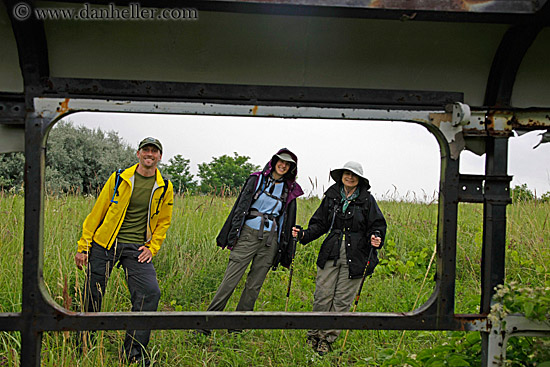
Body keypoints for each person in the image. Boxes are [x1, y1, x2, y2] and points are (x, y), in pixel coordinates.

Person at [75, 137, 174, 366]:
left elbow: (164, 222)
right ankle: (84, 345)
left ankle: (132, 354)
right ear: (138, 154)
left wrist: (152, 247)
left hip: (136, 248)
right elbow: (97, 211)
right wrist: (84, 246)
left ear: (160, 157)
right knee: (93, 293)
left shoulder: (165, 187)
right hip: (106, 243)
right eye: (145, 150)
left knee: (150, 293)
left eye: (154, 151)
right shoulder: (120, 177)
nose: (149, 154)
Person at [198, 148, 303, 335]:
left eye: (288, 164)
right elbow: (240, 206)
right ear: (274, 161)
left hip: (271, 241)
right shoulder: (256, 180)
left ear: (291, 168)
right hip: (248, 234)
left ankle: (237, 327)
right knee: (230, 280)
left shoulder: (290, 190)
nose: (283, 165)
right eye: (281, 161)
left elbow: (288, 219)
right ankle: (207, 324)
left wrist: (287, 246)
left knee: (254, 286)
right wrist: (230, 235)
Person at [292, 161, 386, 355]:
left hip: (357, 256)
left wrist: (376, 237)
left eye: (353, 175)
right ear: (341, 175)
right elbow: (320, 223)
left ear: (359, 179)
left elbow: (377, 225)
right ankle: (313, 334)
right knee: (322, 295)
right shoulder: (332, 196)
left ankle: (327, 339)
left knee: (342, 300)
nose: (349, 177)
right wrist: (303, 234)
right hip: (331, 251)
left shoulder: (367, 200)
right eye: (346, 174)